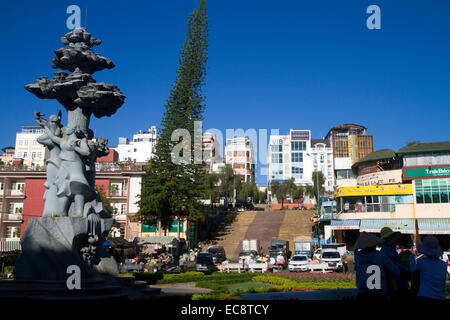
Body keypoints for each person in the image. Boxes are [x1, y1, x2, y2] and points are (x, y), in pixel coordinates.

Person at [354, 232, 400, 301]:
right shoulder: (379, 256)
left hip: (362, 295)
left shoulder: (357, 257)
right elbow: (396, 272)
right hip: (379, 295)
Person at [379, 227, 412, 300]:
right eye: (392, 238)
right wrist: (410, 273)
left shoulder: (390, 250)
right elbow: (395, 267)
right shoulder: (386, 252)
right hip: (396, 286)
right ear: (386, 239)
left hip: (399, 284)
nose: (394, 240)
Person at [411, 236, 447, 301]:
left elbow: (413, 272)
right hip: (440, 297)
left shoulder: (421, 262)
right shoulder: (444, 265)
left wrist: (411, 258)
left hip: (424, 296)